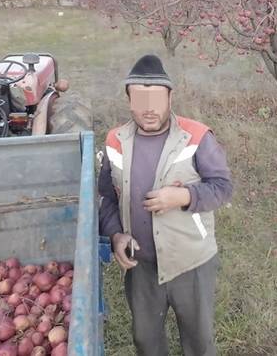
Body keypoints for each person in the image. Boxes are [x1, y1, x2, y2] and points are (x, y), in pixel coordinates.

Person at [98, 54, 233, 356]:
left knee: (198, 341)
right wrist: (116, 236)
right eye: (140, 98)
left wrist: (183, 196)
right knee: (147, 342)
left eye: (157, 99)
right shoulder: (114, 141)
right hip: (141, 265)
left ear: (171, 97)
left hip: (191, 262)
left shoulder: (196, 137)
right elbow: (106, 197)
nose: (149, 109)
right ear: (129, 99)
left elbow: (223, 188)